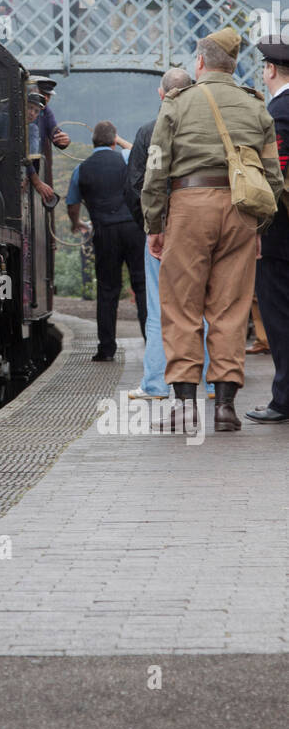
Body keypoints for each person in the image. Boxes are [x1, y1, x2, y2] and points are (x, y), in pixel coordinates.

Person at [141, 27, 283, 433]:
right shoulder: (255, 106)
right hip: (240, 211)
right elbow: (272, 177)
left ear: (199, 62)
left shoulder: (177, 104)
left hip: (188, 207)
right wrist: (258, 224)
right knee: (231, 308)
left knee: (181, 305)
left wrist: (155, 223)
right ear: (233, 65)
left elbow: (156, 170)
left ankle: (185, 407)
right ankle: (224, 408)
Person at [124, 68, 215, 400]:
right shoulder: (209, 128)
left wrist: (152, 227)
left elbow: (134, 185)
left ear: (161, 95)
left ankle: (157, 383)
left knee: (161, 307)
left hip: (163, 229)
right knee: (205, 303)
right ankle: (209, 381)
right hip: (206, 226)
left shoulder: (149, 131)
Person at [66, 120, 147, 361]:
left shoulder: (81, 169)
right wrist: (119, 140)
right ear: (114, 141)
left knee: (107, 290)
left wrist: (76, 223)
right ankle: (151, 343)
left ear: (92, 142)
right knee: (142, 286)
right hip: (134, 229)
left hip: (104, 232)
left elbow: (72, 204)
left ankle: (106, 349)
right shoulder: (124, 157)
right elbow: (137, 151)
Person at [246, 37, 289, 422]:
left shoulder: (277, 111)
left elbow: (272, 174)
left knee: (278, 314)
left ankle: (284, 398)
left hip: (281, 232)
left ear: (270, 70)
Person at [34, 77, 70, 186]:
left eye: (48, 96)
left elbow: (55, 132)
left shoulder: (45, 112)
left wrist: (64, 140)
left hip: (36, 164)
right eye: (42, 94)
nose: (45, 98)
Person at [25, 90, 57, 207]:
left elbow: (29, 158)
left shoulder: (32, 129)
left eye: (36, 111)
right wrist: (37, 182)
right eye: (29, 108)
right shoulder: (4, 119)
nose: (32, 113)